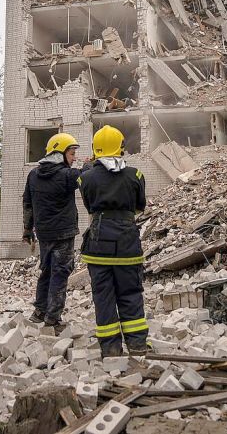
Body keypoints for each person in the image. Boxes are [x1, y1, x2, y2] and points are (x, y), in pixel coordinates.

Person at [78, 125, 149, 358]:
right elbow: (140, 207)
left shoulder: (86, 178)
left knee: (103, 296)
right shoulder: (136, 175)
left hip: (98, 244)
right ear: (121, 147)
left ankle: (110, 348)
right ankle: (137, 345)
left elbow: (90, 207)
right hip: (128, 242)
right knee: (130, 293)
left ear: (95, 149)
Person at [22, 132, 82, 332]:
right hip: (64, 235)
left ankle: (39, 311)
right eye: (72, 153)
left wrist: (27, 229)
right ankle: (53, 320)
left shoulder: (33, 175)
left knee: (46, 271)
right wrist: (95, 162)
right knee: (60, 273)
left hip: (44, 234)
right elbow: (88, 175)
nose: (74, 158)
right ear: (60, 153)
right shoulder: (67, 175)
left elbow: (28, 203)